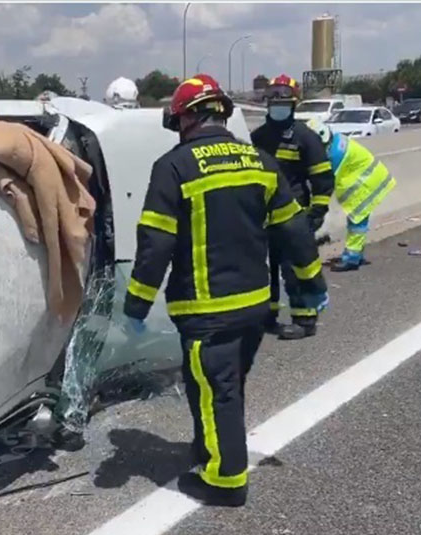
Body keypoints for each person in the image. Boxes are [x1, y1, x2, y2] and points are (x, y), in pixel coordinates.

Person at [121, 74, 328, 507]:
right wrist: (312, 285)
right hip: (254, 308)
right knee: (221, 386)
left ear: (186, 118)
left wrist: (136, 304)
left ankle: (225, 480)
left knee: (218, 391)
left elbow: (155, 242)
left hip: (206, 310)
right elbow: (294, 233)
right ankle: (208, 448)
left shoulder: (173, 167)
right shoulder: (259, 161)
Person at [250, 74, 335, 340]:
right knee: (265, 269)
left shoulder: (305, 137)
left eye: (283, 99)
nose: (277, 104)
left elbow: (322, 180)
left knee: (296, 269)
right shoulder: (257, 137)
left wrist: (316, 214)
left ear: (294, 103)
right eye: (273, 99)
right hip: (263, 218)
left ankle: (305, 320)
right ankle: (269, 316)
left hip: (295, 217)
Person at [305, 118, 396, 270]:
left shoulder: (333, 156)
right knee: (358, 221)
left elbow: (322, 183)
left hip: (363, 185)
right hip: (372, 178)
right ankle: (356, 255)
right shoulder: (335, 140)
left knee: (357, 222)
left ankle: (352, 259)